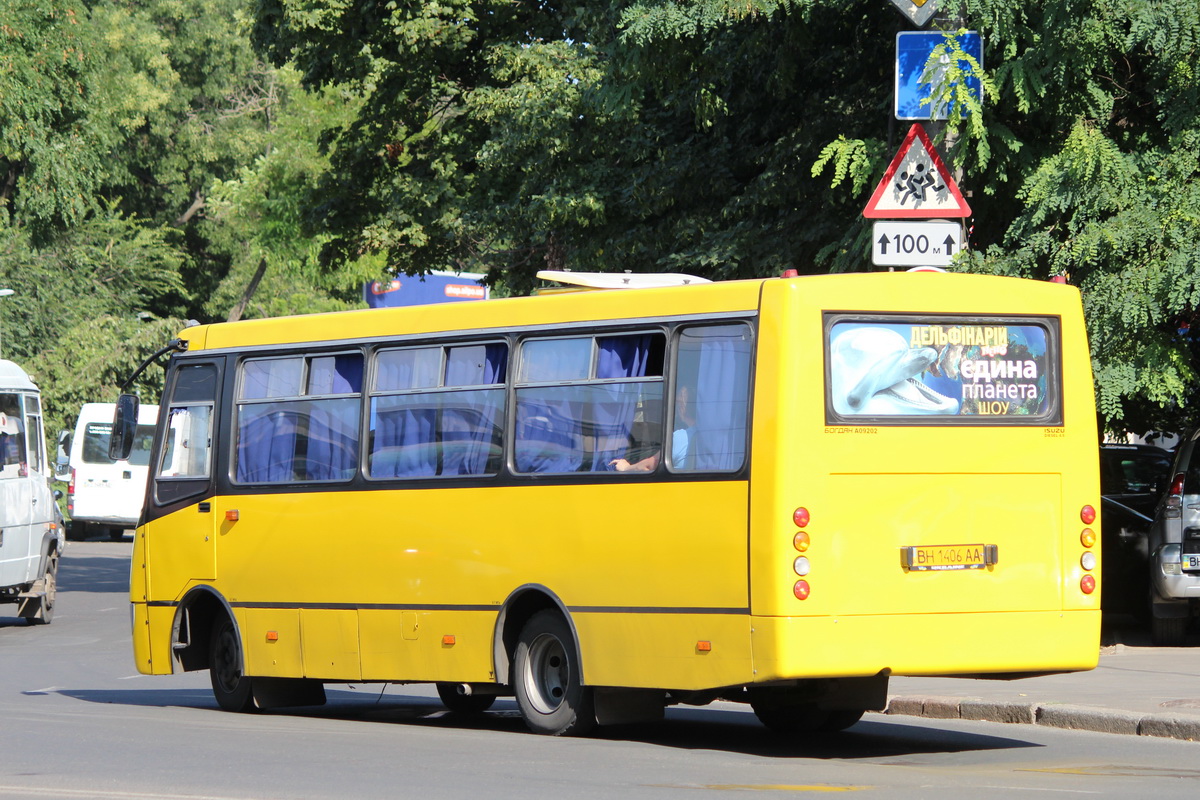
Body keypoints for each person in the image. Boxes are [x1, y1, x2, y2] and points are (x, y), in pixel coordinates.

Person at [610, 385, 696, 472]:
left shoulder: (680, 438)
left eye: (678, 403)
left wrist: (625, 467)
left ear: (682, 408)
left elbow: (648, 467)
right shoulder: (707, 436)